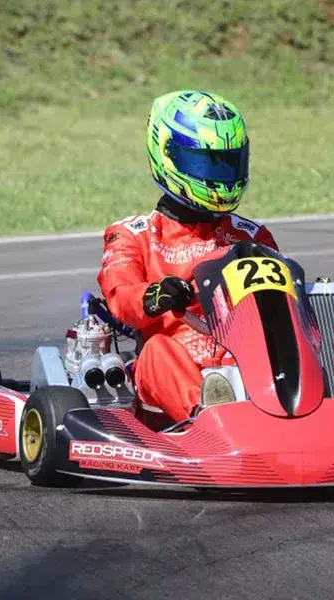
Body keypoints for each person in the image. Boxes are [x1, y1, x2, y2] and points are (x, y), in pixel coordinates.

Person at [97, 90, 279, 427]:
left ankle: (297, 411)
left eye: (228, 163)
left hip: (242, 362)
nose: (220, 175)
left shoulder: (252, 236)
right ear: (168, 155)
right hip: (170, 376)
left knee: (277, 342)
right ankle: (209, 418)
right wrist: (155, 296)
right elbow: (120, 296)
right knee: (157, 351)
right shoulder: (132, 234)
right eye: (206, 162)